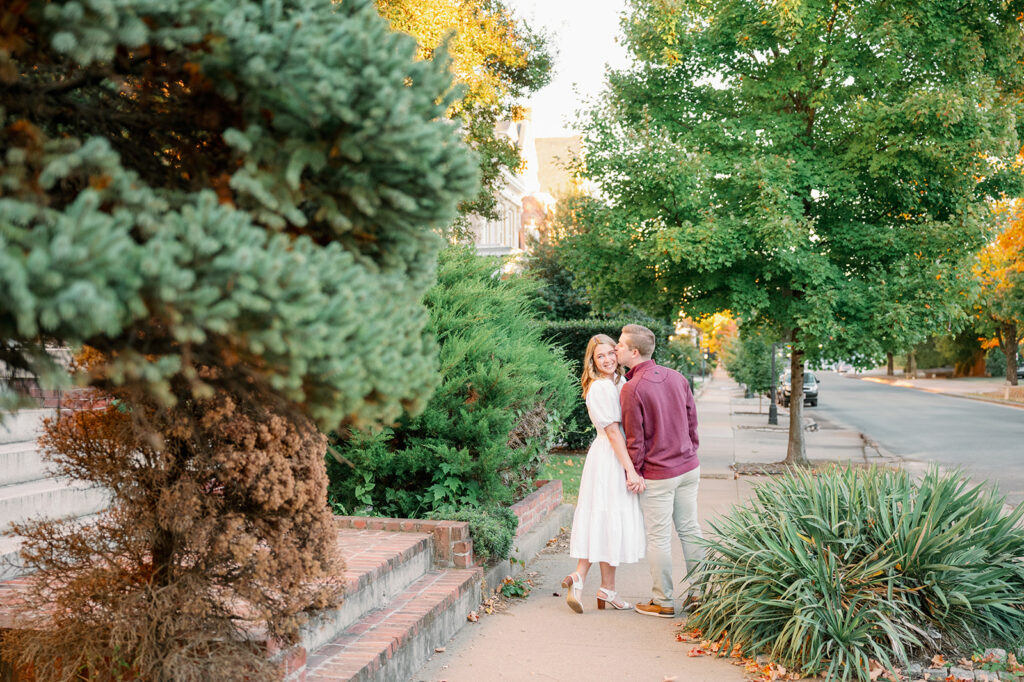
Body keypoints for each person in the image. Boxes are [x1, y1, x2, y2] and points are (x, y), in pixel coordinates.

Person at [616, 324, 703, 618]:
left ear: (634, 352)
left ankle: (663, 601)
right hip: (688, 468)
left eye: (620, 345)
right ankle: (700, 594)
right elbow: (692, 422)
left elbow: (635, 440)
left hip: (659, 474)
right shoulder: (677, 378)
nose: (616, 348)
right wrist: (690, 450)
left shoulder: (632, 389)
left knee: (659, 538)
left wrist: (634, 472)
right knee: (690, 529)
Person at [562, 334, 646, 614]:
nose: (608, 359)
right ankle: (587, 579)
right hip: (610, 457)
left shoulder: (619, 382)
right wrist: (630, 470)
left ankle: (597, 585)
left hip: (616, 454)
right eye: (600, 356)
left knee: (608, 519)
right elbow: (612, 431)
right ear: (592, 361)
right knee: (606, 516)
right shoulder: (599, 388)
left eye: (611, 353)